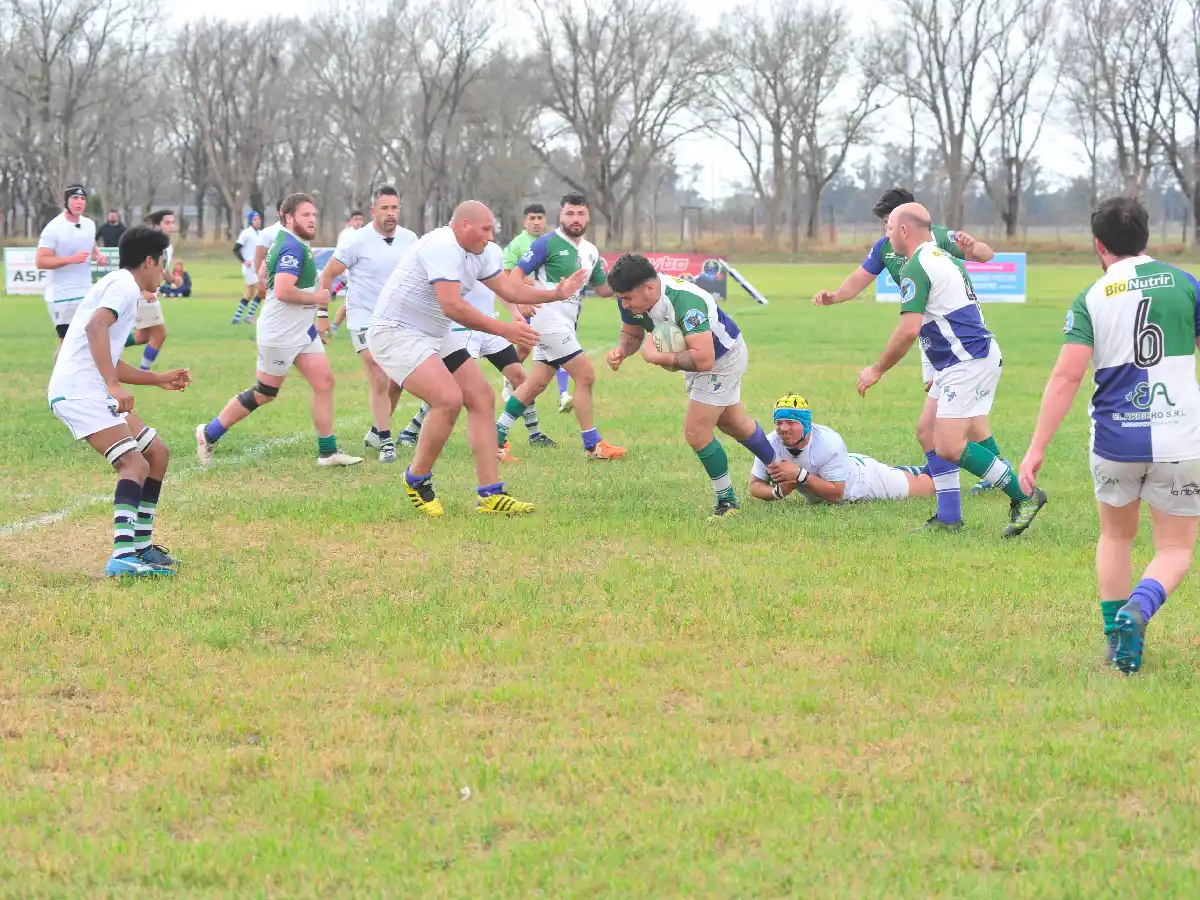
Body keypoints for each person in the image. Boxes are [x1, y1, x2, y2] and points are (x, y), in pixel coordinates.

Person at [1019, 197, 1200, 674]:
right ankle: (1138, 608)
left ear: (1098, 245)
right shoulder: (1186, 285)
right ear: (1147, 236)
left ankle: (1115, 641)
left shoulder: (1092, 297)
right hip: (1181, 438)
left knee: (1116, 537)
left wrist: (1036, 449)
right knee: (1176, 548)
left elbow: (1066, 378)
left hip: (1115, 441)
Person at [367, 200, 589, 517]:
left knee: (482, 397)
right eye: (485, 229)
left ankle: (491, 494)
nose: (490, 236)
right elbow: (452, 307)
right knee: (447, 399)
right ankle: (416, 479)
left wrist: (556, 293)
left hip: (433, 333)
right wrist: (505, 330)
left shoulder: (483, 251)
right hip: (396, 332)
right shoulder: (442, 245)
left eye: (492, 229)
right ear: (464, 225)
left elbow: (510, 290)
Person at [856, 202, 1047, 535]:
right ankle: (948, 517)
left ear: (904, 231)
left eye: (889, 229)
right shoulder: (942, 257)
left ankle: (1024, 496)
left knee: (948, 445)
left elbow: (908, 330)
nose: (886, 235)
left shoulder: (917, 266)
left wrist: (876, 370)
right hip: (959, 360)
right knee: (926, 432)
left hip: (969, 360)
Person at [812, 187, 1008, 495]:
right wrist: (834, 297)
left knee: (959, 414)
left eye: (888, 222)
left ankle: (992, 475)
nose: (885, 230)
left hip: (948, 334)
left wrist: (973, 245)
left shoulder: (936, 238)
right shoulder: (883, 247)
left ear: (906, 220)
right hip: (928, 335)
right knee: (944, 417)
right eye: (884, 224)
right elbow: (859, 278)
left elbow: (985, 255)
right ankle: (960, 478)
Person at [46, 224, 191, 577]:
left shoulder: (125, 287)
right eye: (163, 263)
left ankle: (141, 546)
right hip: (79, 390)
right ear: (149, 261)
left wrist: (158, 379)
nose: (166, 271)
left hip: (91, 386)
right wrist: (112, 385)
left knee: (156, 453)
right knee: (134, 464)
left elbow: (107, 354)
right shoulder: (123, 285)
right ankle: (122, 557)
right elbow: (95, 328)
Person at [195, 192, 363, 469]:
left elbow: (263, 273)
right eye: (305, 215)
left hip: (300, 330)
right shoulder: (292, 247)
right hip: (280, 333)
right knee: (264, 393)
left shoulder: (287, 241)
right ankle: (208, 433)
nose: (312, 220)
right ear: (289, 218)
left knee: (324, 382)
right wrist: (316, 300)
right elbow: (283, 290)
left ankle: (328, 451)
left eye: (314, 215)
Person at [605, 253, 777, 518]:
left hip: (722, 359)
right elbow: (632, 333)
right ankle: (779, 467)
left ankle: (727, 503)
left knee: (696, 432)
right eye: (621, 299)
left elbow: (704, 359)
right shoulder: (630, 299)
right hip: (700, 358)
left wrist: (658, 357)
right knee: (733, 422)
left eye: (627, 298)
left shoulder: (686, 303)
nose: (624, 305)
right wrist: (621, 350)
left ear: (649, 288)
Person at [495, 193, 626, 462]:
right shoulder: (547, 244)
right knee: (586, 376)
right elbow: (516, 276)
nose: (575, 219)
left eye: (580, 214)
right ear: (561, 216)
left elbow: (603, 289)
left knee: (534, 385)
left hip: (564, 325)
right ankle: (593, 446)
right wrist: (521, 303)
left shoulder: (591, 251)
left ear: (588, 216)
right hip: (548, 321)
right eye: (569, 214)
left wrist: (632, 277)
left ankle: (495, 439)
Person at [317, 184, 417, 463]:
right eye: (384, 208)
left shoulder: (410, 239)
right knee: (380, 376)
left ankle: (376, 431)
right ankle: (387, 442)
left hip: (398, 320)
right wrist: (323, 315)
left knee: (399, 380)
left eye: (394, 207)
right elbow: (327, 275)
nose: (390, 213)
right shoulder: (356, 241)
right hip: (363, 319)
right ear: (373, 211)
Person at [398, 281, 554, 448]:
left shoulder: (490, 255)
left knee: (519, 377)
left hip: (490, 327)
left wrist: (515, 311)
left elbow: (500, 285)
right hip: (462, 328)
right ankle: (411, 431)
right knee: (453, 385)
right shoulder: (458, 256)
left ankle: (535, 434)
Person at [748, 394, 935, 504]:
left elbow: (837, 494)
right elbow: (754, 485)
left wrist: (800, 475)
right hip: (842, 466)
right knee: (906, 475)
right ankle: (908, 470)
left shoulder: (829, 443)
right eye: (779, 422)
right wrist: (777, 492)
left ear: (806, 425)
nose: (784, 429)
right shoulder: (770, 444)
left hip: (863, 481)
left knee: (927, 487)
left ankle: (946, 466)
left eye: (791, 422)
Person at [503, 202, 571, 413]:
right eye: (531, 218)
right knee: (525, 348)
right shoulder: (517, 244)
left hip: (550, 305)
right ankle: (509, 378)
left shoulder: (552, 242)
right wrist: (516, 308)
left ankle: (563, 394)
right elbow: (506, 278)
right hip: (527, 306)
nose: (536, 222)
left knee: (561, 343)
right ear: (524, 222)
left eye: (540, 218)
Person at [36, 184, 106, 343]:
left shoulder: (89, 224)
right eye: (75, 198)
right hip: (62, 295)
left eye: (83, 198)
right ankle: (60, 369)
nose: (79, 202)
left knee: (92, 339)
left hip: (85, 291)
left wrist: (98, 256)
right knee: (68, 345)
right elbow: (40, 261)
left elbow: (91, 247)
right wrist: (70, 260)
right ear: (66, 201)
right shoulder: (53, 228)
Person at [127, 209, 175, 371]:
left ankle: (104, 341)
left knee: (143, 336)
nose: (171, 226)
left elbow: (161, 270)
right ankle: (144, 371)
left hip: (150, 295)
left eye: (172, 222)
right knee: (160, 335)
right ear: (156, 225)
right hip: (144, 296)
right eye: (167, 223)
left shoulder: (167, 246)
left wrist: (172, 279)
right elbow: (135, 271)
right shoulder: (148, 245)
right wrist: (143, 291)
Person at [248, 199, 286, 324]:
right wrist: (263, 282)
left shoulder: (300, 233)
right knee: (273, 318)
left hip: (296, 284)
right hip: (273, 284)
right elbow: (259, 258)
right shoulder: (269, 233)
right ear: (278, 213)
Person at [232, 211, 263, 323]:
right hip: (250, 268)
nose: (258, 221)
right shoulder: (246, 233)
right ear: (251, 221)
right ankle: (249, 316)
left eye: (258, 218)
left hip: (258, 267)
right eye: (255, 219)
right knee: (262, 289)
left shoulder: (261, 233)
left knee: (249, 294)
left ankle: (237, 316)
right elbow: (235, 249)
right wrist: (244, 261)